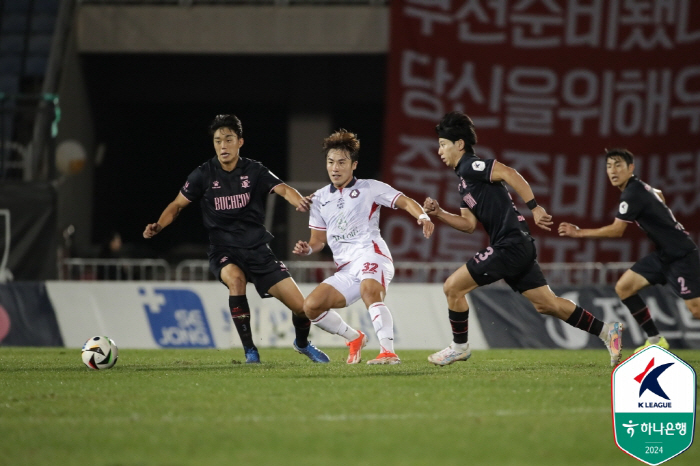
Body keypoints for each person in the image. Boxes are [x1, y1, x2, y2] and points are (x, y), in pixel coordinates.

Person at [424, 111, 624, 367]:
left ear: (460, 144)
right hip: (518, 245)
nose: (439, 151)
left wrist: (535, 206)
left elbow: (509, 173)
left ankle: (459, 347)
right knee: (547, 304)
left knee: (453, 287)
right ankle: (608, 331)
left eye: (443, 144)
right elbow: (469, 225)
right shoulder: (464, 182)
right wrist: (440, 213)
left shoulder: (470, 165)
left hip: (510, 245)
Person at [143, 114, 329, 364]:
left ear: (240, 142)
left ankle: (303, 343)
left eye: (228, 139)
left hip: (258, 250)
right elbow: (177, 205)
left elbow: (283, 189)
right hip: (224, 250)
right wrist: (159, 225)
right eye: (218, 140)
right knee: (235, 280)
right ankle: (250, 351)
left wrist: (300, 201)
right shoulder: (203, 174)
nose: (222, 145)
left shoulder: (254, 170)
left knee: (303, 308)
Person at [292, 129, 434, 365]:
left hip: (372, 255)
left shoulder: (370, 188)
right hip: (346, 269)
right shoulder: (318, 199)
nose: (335, 168)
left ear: (354, 164)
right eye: (330, 162)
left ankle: (388, 352)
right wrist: (307, 249)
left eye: (341, 162)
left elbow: (405, 201)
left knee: (370, 291)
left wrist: (423, 217)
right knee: (311, 306)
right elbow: (318, 240)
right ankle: (354, 337)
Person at [558, 148, 700, 351]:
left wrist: (578, 233)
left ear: (630, 168)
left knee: (696, 310)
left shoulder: (632, 193)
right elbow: (659, 195)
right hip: (664, 254)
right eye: (609, 166)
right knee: (624, 287)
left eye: (618, 165)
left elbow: (616, 231)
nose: (613, 170)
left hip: (681, 256)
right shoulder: (641, 188)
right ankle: (655, 340)